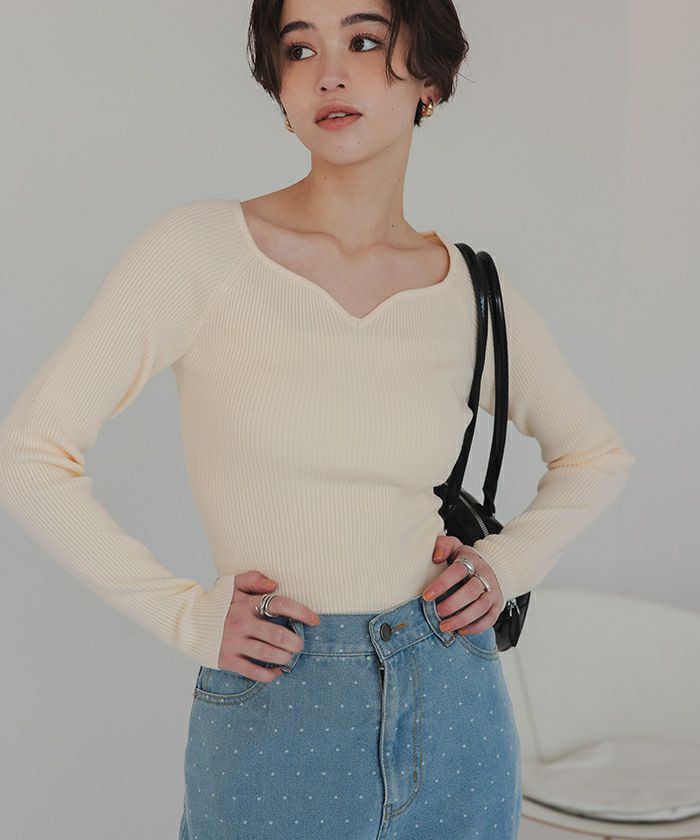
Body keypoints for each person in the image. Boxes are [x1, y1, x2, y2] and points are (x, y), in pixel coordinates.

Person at [0, 1, 635, 838]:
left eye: (364, 41)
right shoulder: (202, 252)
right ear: (281, 87)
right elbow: (30, 453)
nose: (329, 72)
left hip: (454, 696)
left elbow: (595, 456)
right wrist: (184, 615)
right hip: (278, 697)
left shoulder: (469, 293)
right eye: (299, 49)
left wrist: (503, 565)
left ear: (430, 78)